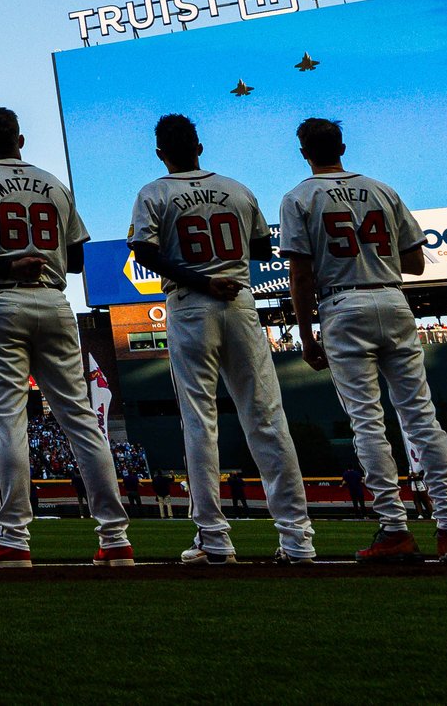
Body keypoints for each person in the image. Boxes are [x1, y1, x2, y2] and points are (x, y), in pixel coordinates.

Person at [0, 106, 132, 568]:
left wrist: (6, 261)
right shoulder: (54, 185)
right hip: (53, 302)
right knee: (81, 421)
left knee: (10, 422)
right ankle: (116, 537)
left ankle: (13, 539)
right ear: (20, 140)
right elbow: (80, 260)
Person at [278, 117, 447, 564]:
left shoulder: (299, 196)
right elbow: (417, 262)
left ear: (303, 151)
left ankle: (395, 528)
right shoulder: (382, 189)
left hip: (342, 304)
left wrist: (305, 333)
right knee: (422, 417)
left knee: (367, 421)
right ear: (342, 145)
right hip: (392, 297)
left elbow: (301, 272)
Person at [129, 113, 314, 565]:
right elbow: (260, 250)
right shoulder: (237, 188)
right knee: (267, 417)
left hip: (191, 305)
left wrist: (199, 277)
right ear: (200, 146)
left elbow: (145, 250)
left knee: (199, 420)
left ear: (160, 152)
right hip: (239, 301)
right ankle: (297, 538)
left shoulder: (155, 191)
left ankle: (214, 537)